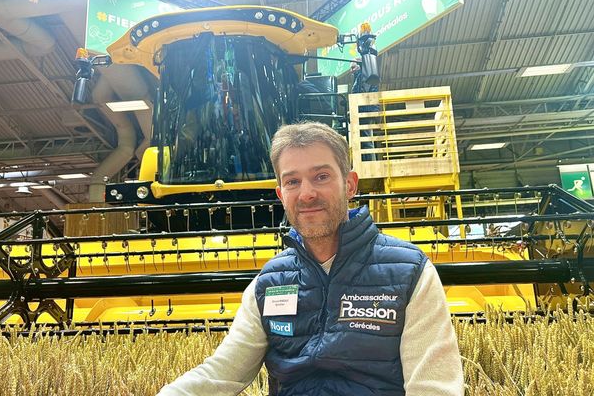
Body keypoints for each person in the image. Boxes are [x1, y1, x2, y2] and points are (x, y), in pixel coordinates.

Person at [157, 122, 464, 396]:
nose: (306, 194)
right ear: (280, 194)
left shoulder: (409, 272)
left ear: (350, 184)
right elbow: (221, 374)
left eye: (321, 176)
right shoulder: (269, 283)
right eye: (292, 181)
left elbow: (433, 388)